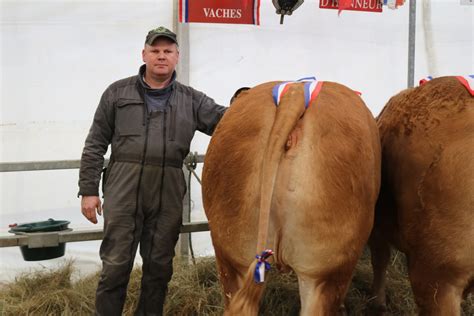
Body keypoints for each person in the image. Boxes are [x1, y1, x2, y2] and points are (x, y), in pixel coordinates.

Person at [78, 26, 227, 315]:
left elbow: (228, 121)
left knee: (159, 267)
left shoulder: (192, 100)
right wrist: (88, 190)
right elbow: (95, 143)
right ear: (144, 54)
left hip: (168, 187)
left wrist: (252, 101)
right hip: (123, 185)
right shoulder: (117, 93)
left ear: (176, 56)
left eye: (167, 51)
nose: (161, 56)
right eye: (155, 51)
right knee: (115, 266)